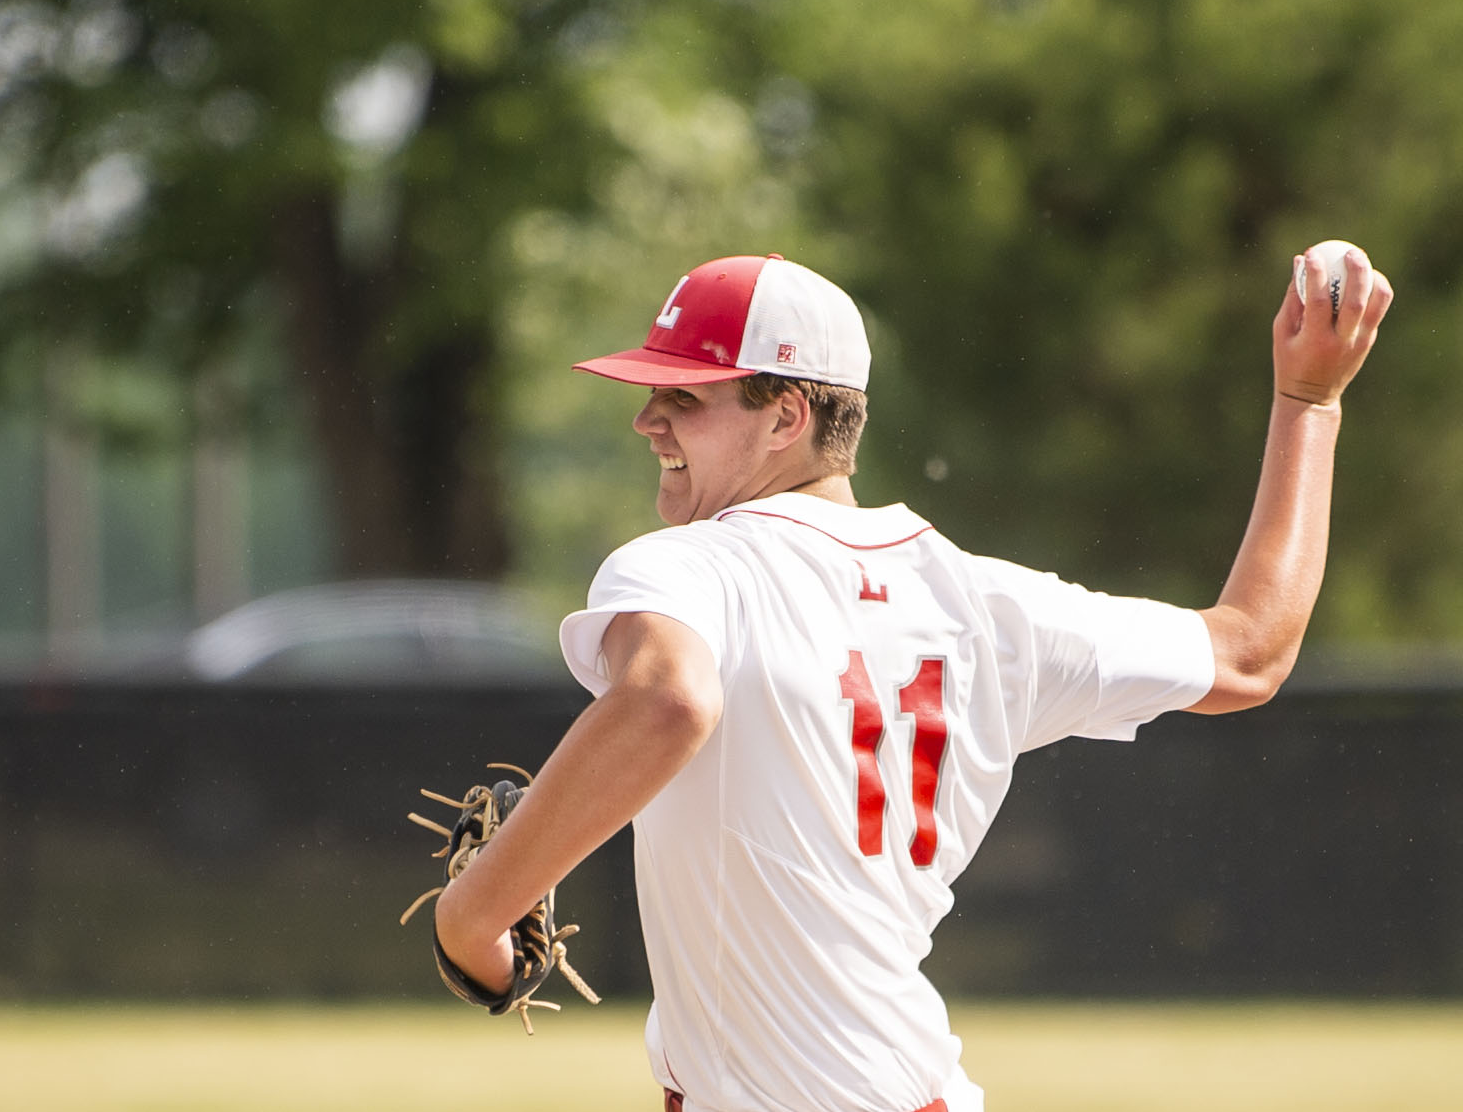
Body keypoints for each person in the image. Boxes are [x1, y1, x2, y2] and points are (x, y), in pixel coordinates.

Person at [431, 248, 1392, 1112]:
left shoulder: (691, 568)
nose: (647, 419)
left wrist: (473, 915)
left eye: (685, 397)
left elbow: (668, 700)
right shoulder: (982, 603)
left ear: (788, 415)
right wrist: (1310, 405)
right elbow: (1249, 650)